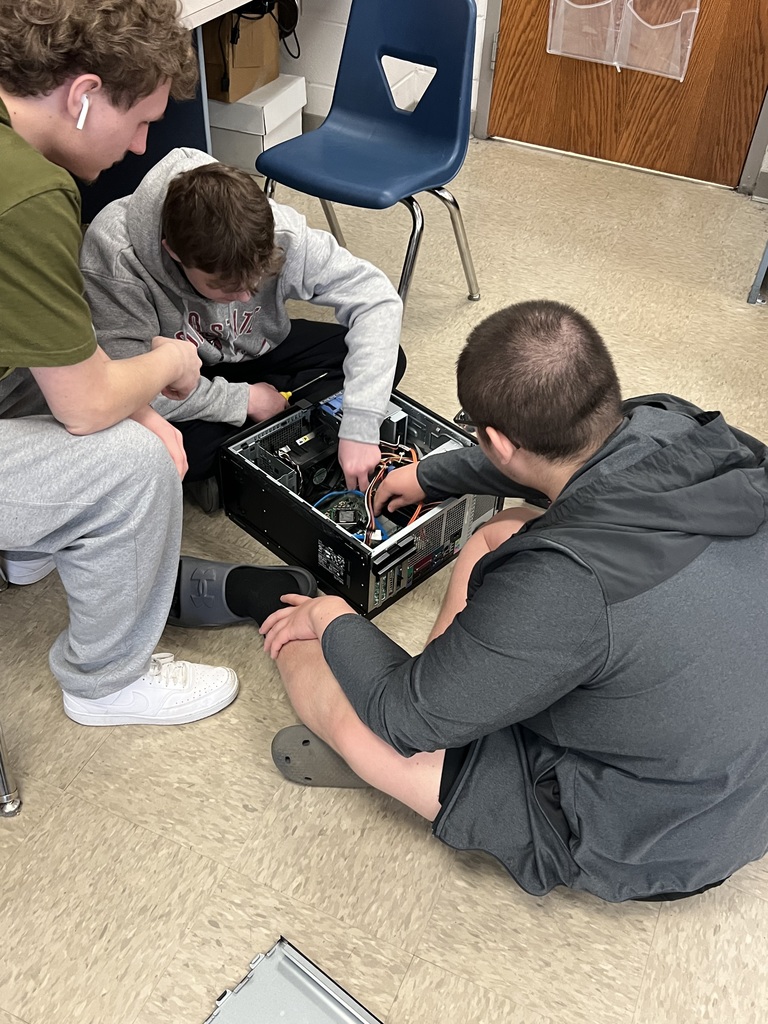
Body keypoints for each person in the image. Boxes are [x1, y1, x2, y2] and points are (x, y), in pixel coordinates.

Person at [258, 299, 768, 903]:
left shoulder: (562, 586)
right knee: (503, 531)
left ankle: (305, 626)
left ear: (496, 439)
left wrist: (329, 613)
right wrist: (431, 477)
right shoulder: (669, 423)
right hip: (734, 770)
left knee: (328, 672)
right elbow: (558, 465)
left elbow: (404, 719)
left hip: (652, 836)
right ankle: (457, 683)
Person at [0, 0, 314, 728]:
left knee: (104, 405)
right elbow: (83, 404)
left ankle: (31, 544)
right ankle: (105, 683)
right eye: (140, 120)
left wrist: (135, 395)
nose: (142, 147)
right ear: (81, 96)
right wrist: (169, 360)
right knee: (137, 461)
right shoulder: (33, 196)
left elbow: (50, 352)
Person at [79, 148, 406, 509]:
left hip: (257, 349)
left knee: (383, 358)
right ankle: (263, 432)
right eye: (225, 287)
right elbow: (123, 384)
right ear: (173, 253)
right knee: (145, 453)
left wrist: (360, 426)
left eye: (256, 281)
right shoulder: (116, 252)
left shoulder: (278, 230)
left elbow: (378, 301)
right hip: (173, 375)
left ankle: (248, 447)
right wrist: (244, 400)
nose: (244, 297)